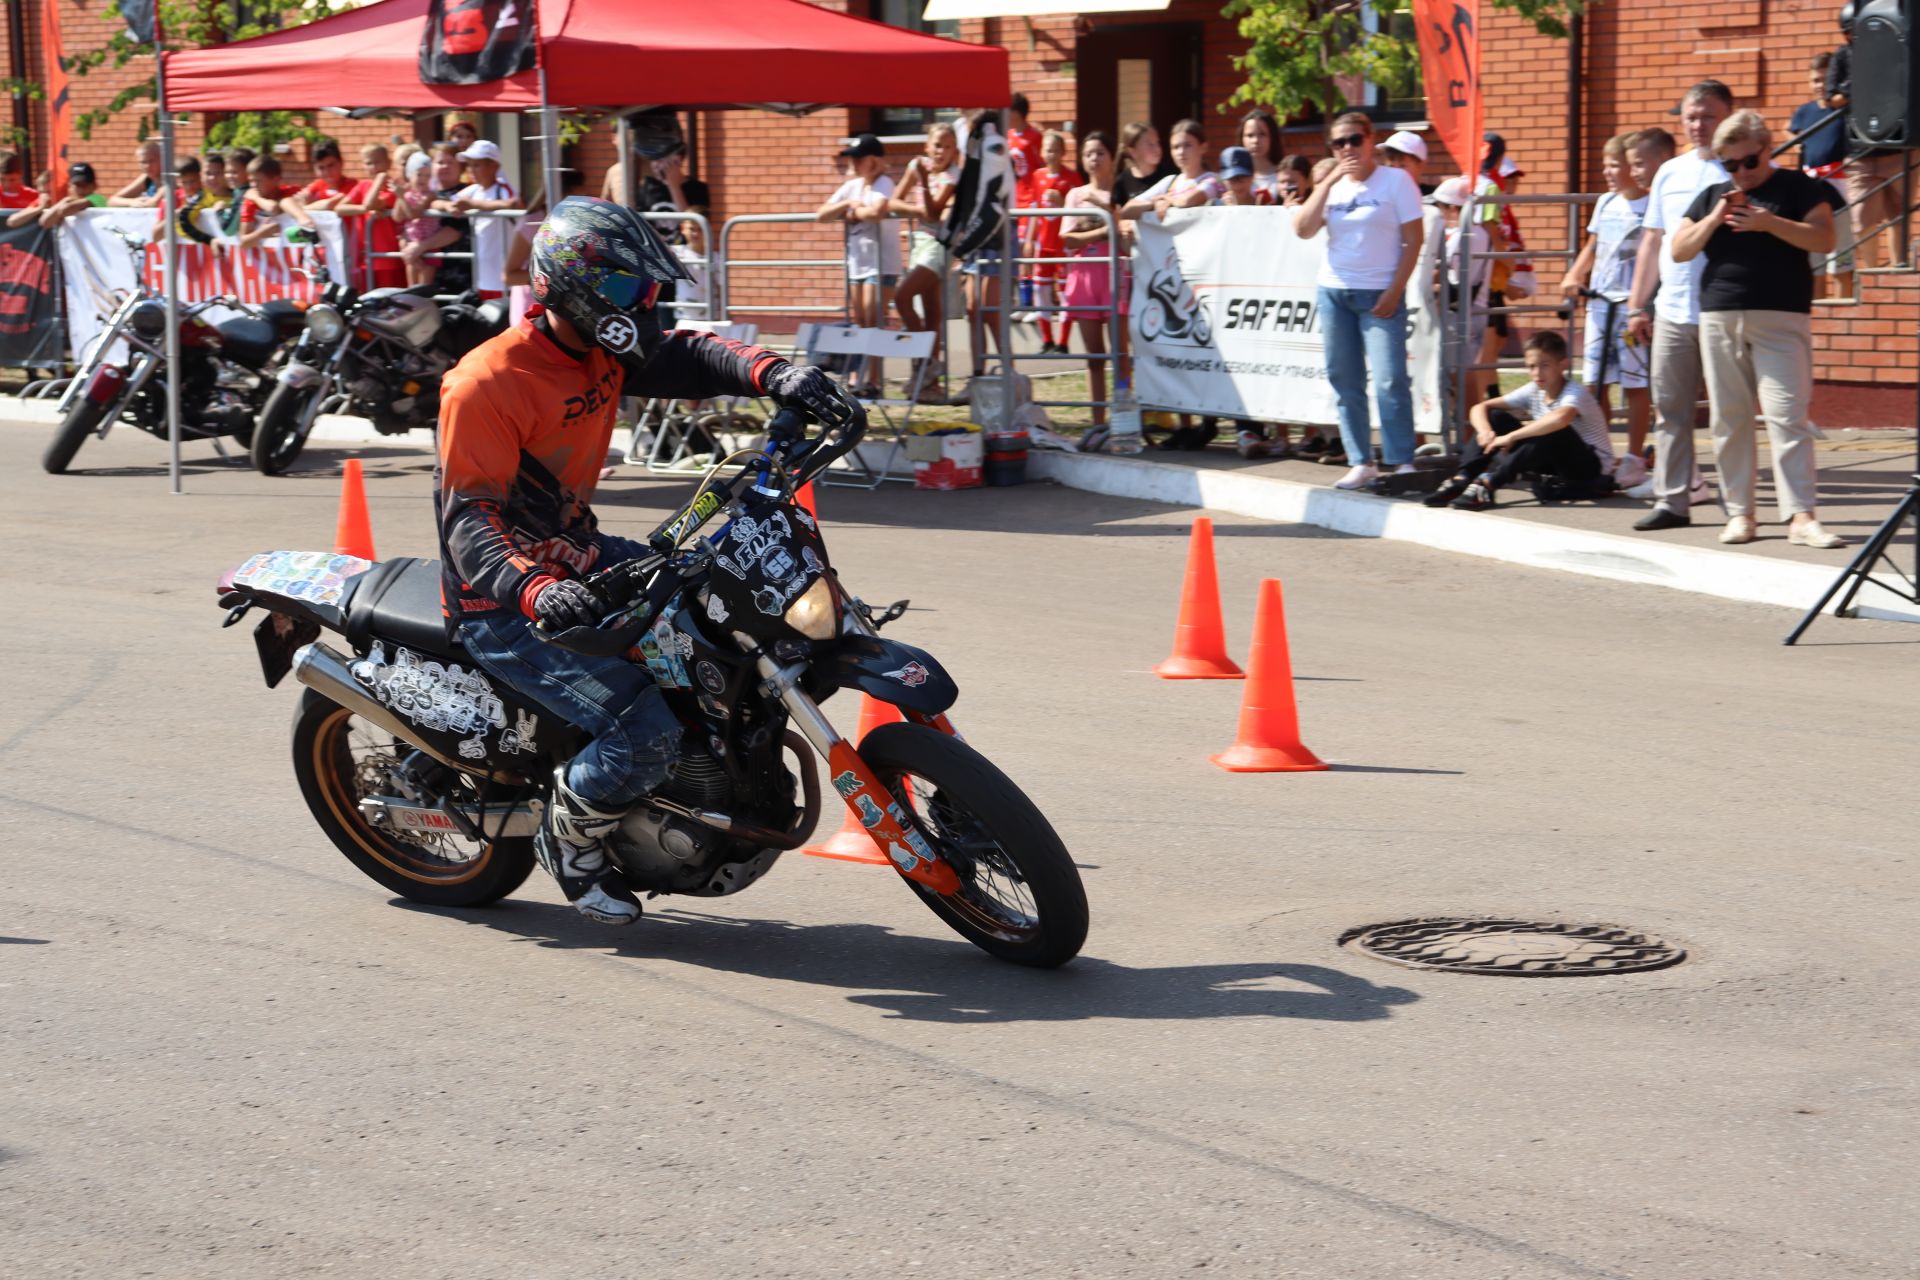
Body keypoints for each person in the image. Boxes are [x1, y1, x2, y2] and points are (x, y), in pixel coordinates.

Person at [439, 196, 856, 925]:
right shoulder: (487, 384)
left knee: (722, 611)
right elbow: (468, 523)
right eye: (634, 290)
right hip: (501, 601)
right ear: (574, 288)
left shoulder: (600, 347)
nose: (649, 305)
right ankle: (569, 846)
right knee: (644, 729)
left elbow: (688, 354)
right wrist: (535, 589)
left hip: (583, 556)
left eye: (653, 289)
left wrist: (775, 375)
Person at [1670, 110, 1846, 549]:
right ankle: (1740, 515)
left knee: (1788, 416)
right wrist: (1713, 218)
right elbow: (1678, 250)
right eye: (1729, 165)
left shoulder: (1799, 188)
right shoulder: (1713, 195)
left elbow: (1825, 240)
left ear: (1767, 150)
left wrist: (1770, 223)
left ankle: (1802, 517)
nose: (1740, 173)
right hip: (1720, 315)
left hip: (1781, 318)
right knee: (1730, 419)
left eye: (1749, 162)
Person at [1293, 111, 1424, 490]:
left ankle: (1401, 461)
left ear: (1371, 141)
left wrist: (1395, 290)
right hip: (1334, 291)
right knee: (1344, 379)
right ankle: (1360, 461)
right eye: (1338, 143)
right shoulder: (1332, 186)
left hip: (1380, 292)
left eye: (1353, 139)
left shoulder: (1396, 181)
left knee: (1388, 379)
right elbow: (1302, 229)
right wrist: (1330, 178)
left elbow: (1413, 240)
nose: (1347, 148)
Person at [1627, 80, 1735, 531]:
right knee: (1670, 410)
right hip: (1673, 310)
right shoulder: (1669, 172)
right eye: (1691, 116)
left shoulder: (1740, 167)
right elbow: (1653, 239)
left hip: (1724, 308)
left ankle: (1739, 507)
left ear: (1728, 116)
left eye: (1708, 116)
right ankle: (1672, 502)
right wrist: (1638, 305)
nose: (1698, 125)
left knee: (1731, 413)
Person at [1425, 331, 1617, 510]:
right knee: (1495, 416)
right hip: (1555, 464)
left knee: (1552, 428)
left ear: (1563, 365)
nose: (1537, 373)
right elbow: (1479, 408)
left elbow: (1561, 419)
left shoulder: (1575, 392)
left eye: (1545, 365)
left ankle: (1489, 484)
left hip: (1591, 468)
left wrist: (1511, 437)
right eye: (1532, 366)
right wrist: (1485, 431)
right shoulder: (1534, 389)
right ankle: (1462, 478)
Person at [1560, 131, 1651, 461]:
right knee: (1596, 383)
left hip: (1629, 307)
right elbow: (1594, 246)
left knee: (1635, 383)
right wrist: (1575, 273)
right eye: (1605, 166)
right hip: (1599, 304)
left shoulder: (1651, 204)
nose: (1608, 172)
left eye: (1614, 165)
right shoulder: (1606, 202)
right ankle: (1600, 452)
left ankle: (1635, 455)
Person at [816, 133, 899, 397]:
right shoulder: (852, 187)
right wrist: (846, 204)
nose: (854, 162)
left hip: (881, 262)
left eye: (859, 158)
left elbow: (876, 213)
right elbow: (822, 214)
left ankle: (874, 379)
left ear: (873, 160)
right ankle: (859, 376)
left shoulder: (884, 183)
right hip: (858, 263)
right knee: (861, 321)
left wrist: (851, 213)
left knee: (873, 319)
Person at [1825, 4, 1902, 271]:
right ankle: (1871, 273)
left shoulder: (1893, 52)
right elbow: (1831, 98)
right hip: (1859, 149)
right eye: (1851, 33)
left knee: (1898, 214)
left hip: (1897, 145)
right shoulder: (1843, 57)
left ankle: (1898, 267)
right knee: (1863, 219)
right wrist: (1856, 83)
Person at [889, 122, 961, 395]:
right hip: (920, 240)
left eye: (948, 146)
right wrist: (916, 209)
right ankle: (931, 384)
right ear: (927, 146)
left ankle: (925, 363)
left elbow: (934, 212)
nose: (941, 151)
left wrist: (924, 198)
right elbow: (894, 202)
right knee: (932, 312)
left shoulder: (953, 176)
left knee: (902, 297)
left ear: (955, 151)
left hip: (939, 245)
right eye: (938, 145)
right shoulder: (915, 165)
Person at [1061, 129, 1119, 429]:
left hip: (1116, 277)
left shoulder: (1120, 191)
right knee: (1094, 357)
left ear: (1112, 157)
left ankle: (1124, 418)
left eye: (1100, 153)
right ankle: (1098, 421)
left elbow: (1123, 236)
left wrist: (1100, 215)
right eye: (1088, 154)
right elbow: (1067, 240)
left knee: (1121, 355)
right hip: (1083, 279)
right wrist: (1101, 230)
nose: (1094, 159)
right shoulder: (1075, 194)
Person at [1792, 52, 1853, 298]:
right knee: (1813, 264)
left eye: (1824, 80)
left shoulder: (1845, 111)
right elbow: (1790, 132)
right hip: (1810, 189)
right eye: (1815, 80)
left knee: (1840, 259)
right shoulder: (1805, 112)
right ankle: (1817, 316)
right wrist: (1795, 142)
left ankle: (1844, 313)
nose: (1820, 85)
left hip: (1837, 187)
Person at [1024, 129, 1082, 355]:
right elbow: (1034, 210)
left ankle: (1064, 341)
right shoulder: (1037, 176)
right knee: (1041, 289)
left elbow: (1079, 210)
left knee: (1066, 291)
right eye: (1048, 149)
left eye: (1056, 150)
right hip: (1043, 244)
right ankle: (1046, 339)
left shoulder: (1071, 178)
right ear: (1042, 152)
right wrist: (1029, 240)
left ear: (1063, 152)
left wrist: (1064, 201)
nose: (1051, 154)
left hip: (1062, 245)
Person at [1118, 119, 1225, 223]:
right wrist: (1153, 204)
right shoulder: (1170, 181)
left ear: (1203, 147)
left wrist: (1166, 200)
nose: (1181, 152)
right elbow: (1127, 210)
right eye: (1175, 147)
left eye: (1187, 145)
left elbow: (1188, 201)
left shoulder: (1214, 179)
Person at [448, 139, 518, 298]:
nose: (471, 170)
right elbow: (440, 201)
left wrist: (472, 204)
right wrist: (448, 206)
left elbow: (513, 204)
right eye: (469, 165)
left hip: (504, 280)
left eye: (477, 165)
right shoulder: (473, 190)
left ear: (494, 166)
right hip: (482, 279)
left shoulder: (503, 188)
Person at [336, 144, 406, 291]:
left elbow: (370, 203)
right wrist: (362, 209)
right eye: (369, 163)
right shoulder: (363, 186)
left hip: (389, 259)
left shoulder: (394, 188)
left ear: (388, 163)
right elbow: (340, 209)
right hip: (367, 258)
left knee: (391, 301)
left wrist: (380, 180)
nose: (373, 167)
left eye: (377, 162)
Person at [1005, 93, 1043, 322]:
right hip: (1012, 201)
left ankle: (1028, 304)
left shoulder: (1034, 137)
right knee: (1016, 252)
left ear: (1016, 113)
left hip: (1030, 200)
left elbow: (1039, 169)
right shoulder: (1007, 137)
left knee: (1027, 250)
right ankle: (1020, 302)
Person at [237, 155, 319, 248]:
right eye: (251, 181)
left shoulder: (292, 191)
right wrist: (261, 234)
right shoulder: (250, 203)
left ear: (276, 179)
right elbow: (243, 242)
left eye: (258, 181)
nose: (253, 185)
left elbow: (273, 207)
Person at [395, 151, 446, 288]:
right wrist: (401, 196)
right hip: (412, 245)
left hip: (428, 248)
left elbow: (415, 214)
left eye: (428, 176)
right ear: (410, 175)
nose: (423, 179)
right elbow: (397, 216)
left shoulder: (430, 195)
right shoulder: (408, 195)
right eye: (419, 174)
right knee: (411, 289)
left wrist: (401, 197)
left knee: (424, 289)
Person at [36, 161, 106, 229]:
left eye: (85, 185)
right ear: (70, 186)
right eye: (77, 185)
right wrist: (65, 200)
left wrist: (67, 202)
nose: (81, 189)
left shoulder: (98, 199)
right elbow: (44, 222)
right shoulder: (67, 202)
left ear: (94, 186)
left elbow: (65, 210)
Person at [1238, 109, 1283, 200]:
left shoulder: (1285, 175)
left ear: (1272, 137)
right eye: (1250, 135)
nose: (1256, 141)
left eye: (1262, 134)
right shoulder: (1234, 177)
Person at [300, 140, 353, 211]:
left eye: (331, 165)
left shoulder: (352, 185)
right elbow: (294, 200)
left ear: (341, 163)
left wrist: (304, 208)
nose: (327, 172)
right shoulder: (316, 185)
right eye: (321, 168)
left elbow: (330, 204)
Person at [108, 140, 163, 207]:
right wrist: (131, 202)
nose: (147, 166)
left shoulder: (171, 180)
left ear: (162, 159)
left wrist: (143, 203)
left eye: (151, 161)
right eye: (143, 162)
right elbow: (112, 201)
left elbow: (153, 204)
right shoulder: (147, 178)